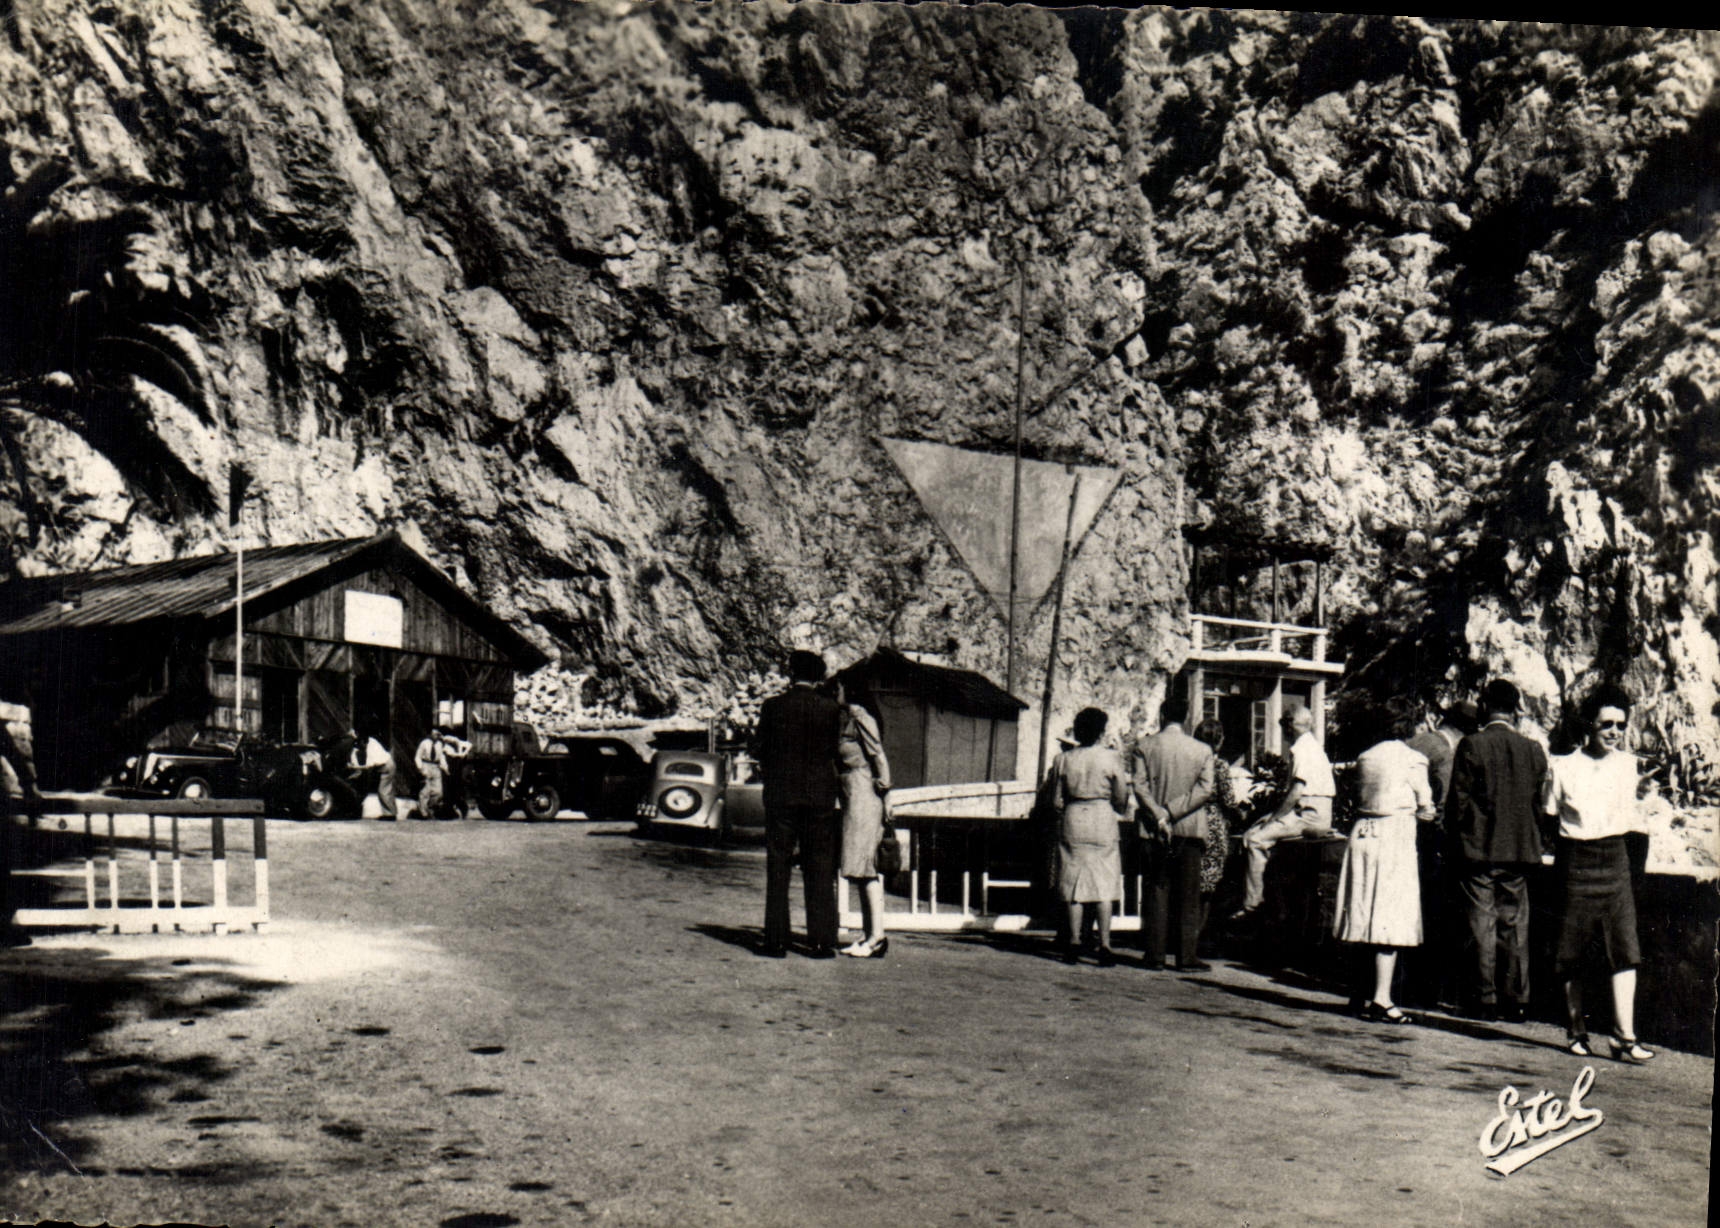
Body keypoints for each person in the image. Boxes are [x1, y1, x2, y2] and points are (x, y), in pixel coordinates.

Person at [1543, 684, 1654, 1062]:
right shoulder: (1563, 766)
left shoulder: (1627, 765)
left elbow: (1632, 819)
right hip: (1576, 860)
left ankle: (1625, 1036)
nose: (1614, 732)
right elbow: (1550, 814)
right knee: (1570, 950)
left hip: (1616, 859)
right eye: (1607, 723)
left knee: (1624, 946)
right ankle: (1576, 1031)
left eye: (1620, 725)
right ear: (1589, 724)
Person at [1446, 679, 1549, 1022]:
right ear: (1516, 709)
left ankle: (1485, 999)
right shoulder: (1534, 750)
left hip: (1479, 851)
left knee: (1482, 924)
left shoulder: (1472, 745)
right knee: (1515, 925)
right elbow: (1538, 805)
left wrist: (1454, 843)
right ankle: (1517, 1000)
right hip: (1520, 851)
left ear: (1485, 706)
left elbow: (1457, 805)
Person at [1333, 713, 1437, 1023]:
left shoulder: (1367, 756)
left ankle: (1358, 993)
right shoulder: (1414, 759)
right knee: (1390, 917)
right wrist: (1426, 813)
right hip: (1394, 836)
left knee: (1363, 913)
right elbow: (1426, 803)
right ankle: (1382, 997)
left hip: (1363, 832)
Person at [754, 650, 845, 959]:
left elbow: (760, 750)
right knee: (819, 866)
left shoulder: (773, 707)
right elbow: (834, 751)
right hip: (819, 796)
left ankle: (776, 941)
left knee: (778, 866)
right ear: (818, 676)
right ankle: (820, 942)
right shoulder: (831, 710)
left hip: (781, 795)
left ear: (791, 674)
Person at [1132, 696, 1217, 972]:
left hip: (1154, 829)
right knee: (1189, 895)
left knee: (1157, 889)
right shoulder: (1202, 750)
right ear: (1187, 716)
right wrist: (1173, 811)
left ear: (1162, 714)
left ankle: (1154, 954)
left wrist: (1159, 814)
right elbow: (1204, 791)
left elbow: (1139, 787)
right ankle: (1186, 956)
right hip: (1190, 828)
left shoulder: (1144, 746)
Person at [1233, 704, 1335, 922]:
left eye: (1285, 726)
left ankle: (1253, 904)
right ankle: (1266, 898)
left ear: (1291, 726)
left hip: (1309, 814)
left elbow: (1296, 792)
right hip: (1316, 812)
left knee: (1254, 838)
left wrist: (1274, 818)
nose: (1284, 732)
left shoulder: (1301, 750)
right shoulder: (1314, 747)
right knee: (1262, 827)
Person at [1049, 707, 1131, 966]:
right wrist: (1115, 806)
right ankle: (1104, 944)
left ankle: (1073, 941)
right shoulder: (1111, 758)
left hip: (1074, 818)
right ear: (1101, 731)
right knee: (1104, 883)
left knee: (1073, 882)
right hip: (1102, 818)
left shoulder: (1063, 760)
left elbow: (1056, 800)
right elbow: (1121, 797)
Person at [835, 682, 893, 959]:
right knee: (860, 868)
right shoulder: (849, 718)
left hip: (863, 794)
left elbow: (877, 754)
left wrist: (886, 791)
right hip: (852, 793)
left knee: (865, 867)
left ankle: (877, 937)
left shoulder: (860, 718)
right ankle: (871, 934)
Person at [1190, 718, 1236, 931]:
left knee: (1191, 880)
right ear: (1218, 741)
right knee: (1208, 886)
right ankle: (1197, 935)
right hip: (1213, 824)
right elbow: (1228, 800)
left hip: (1190, 819)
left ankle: (1186, 933)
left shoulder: (1190, 762)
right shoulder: (1219, 765)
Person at [350, 727, 399, 820]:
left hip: (386, 767)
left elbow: (369, 766)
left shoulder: (370, 750)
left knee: (383, 791)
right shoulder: (372, 741)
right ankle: (391, 812)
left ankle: (390, 815)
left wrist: (354, 767)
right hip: (387, 765)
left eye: (361, 744)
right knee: (387, 790)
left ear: (364, 742)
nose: (361, 747)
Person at [414, 726, 449, 820]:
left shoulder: (439, 744)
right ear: (430, 734)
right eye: (433, 733)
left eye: (437, 734)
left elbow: (441, 757)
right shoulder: (424, 743)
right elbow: (417, 756)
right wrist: (420, 768)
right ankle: (423, 813)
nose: (435, 735)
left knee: (438, 792)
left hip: (436, 767)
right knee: (425, 791)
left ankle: (430, 808)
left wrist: (445, 768)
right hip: (426, 765)